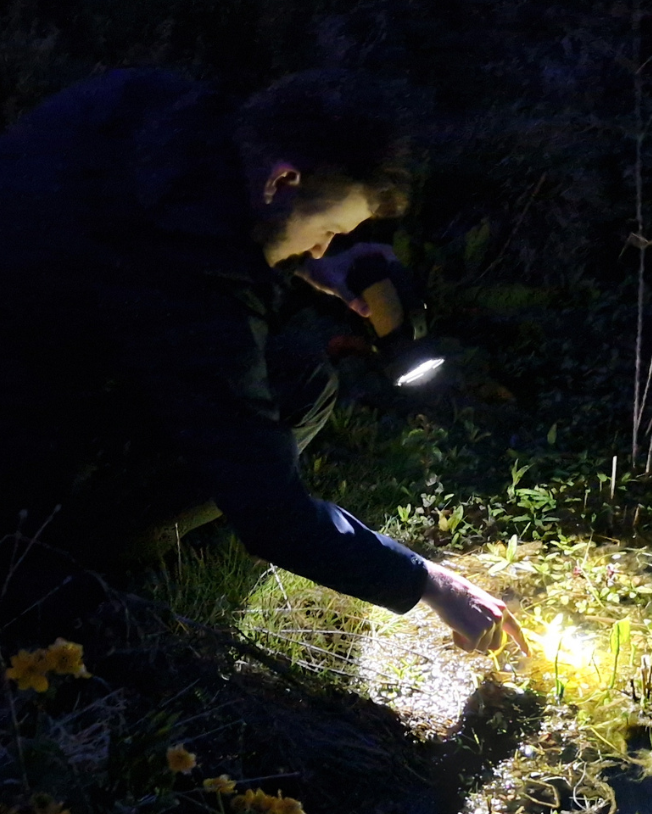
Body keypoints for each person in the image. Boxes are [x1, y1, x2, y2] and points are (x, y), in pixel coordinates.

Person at [0, 67, 526, 656]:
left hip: (42, 358)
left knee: (288, 368)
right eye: (327, 229)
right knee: (297, 387)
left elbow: (143, 239)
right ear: (283, 180)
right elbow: (271, 513)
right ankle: (72, 556)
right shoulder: (196, 294)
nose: (325, 247)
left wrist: (300, 261)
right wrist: (429, 583)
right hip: (21, 469)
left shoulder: (152, 103)